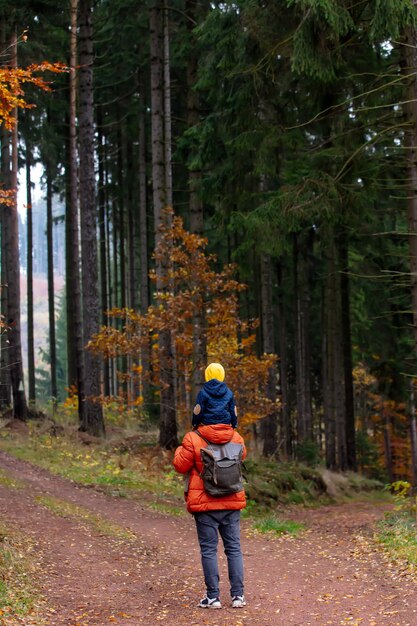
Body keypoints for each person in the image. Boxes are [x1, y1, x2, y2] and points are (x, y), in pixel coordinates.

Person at [173, 362, 247, 610]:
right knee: (233, 549)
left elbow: (180, 465)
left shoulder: (193, 438)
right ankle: (238, 596)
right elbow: (241, 457)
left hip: (205, 502)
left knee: (208, 550)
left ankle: (213, 597)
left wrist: (181, 449)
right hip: (231, 500)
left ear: (201, 408)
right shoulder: (237, 438)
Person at [192, 362, 237, 429]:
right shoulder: (229, 393)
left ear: (207, 375)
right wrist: (234, 425)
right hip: (225, 426)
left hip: (207, 426)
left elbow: (198, 411)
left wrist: (195, 424)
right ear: (222, 374)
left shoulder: (203, 392)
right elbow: (233, 411)